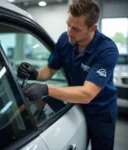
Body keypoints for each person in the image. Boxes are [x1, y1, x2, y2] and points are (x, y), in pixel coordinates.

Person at [17, 0, 119, 150]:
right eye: (68, 25)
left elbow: (87, 94)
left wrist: (46, 89)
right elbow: (50, 70)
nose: (69, 32)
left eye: (76, 29)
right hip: (74, 103)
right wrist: (35, 73)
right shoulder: (65, 39)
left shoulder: (107, 50)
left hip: (101, 112)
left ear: (92, 28)